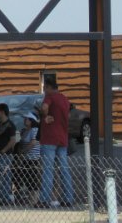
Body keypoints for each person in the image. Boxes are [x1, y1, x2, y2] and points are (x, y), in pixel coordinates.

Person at [36, 77, 74, 208]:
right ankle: (68, 198)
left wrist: (45, 116)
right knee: (64, 169)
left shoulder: (49, 97)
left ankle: (44, 200)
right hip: (62, 138)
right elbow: (68, 115)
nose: (44, 91)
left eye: (44, 88)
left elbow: (44, 107)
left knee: (48, 169)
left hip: (49, 138)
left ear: (48, 87)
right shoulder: (64, 99)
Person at [0, 103, 17, 205]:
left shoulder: (10, 125)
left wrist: (3, 151)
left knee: (5, 177)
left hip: (5, 155)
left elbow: (12, 140)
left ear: (2, 112)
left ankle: (5, 198)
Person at [14, 111, 41, 203]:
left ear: (32, 120)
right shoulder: (24, 131)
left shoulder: (35, 130)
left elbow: (33, 143)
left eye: (27, 119)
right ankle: (30, 199)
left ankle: (34, 199)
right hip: (25, 159)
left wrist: (23, 152)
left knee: (33, 180)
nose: (25, 120)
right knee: (27, 179)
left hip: (33, 159)